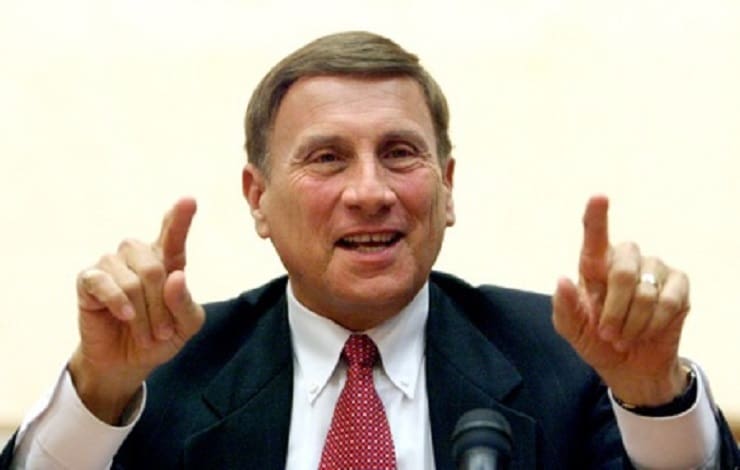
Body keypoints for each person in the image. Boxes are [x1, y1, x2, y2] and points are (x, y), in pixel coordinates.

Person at [2, 30, 738, 469]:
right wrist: (97, 391)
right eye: (327, 158)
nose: (370, 191)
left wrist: (653, 396)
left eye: (399, 153)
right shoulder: (167, 374)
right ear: (258, 199)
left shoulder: (565, 361)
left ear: (447, 188)